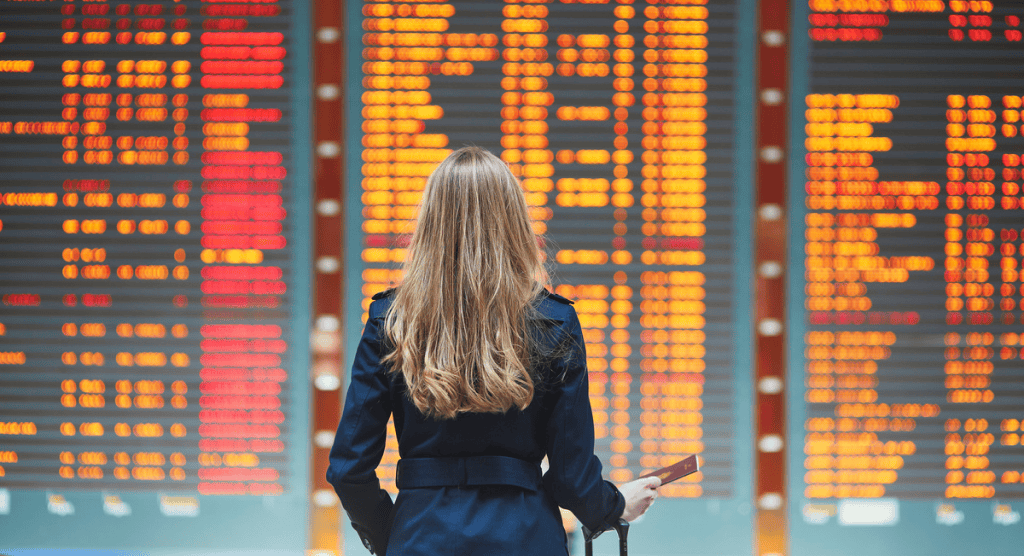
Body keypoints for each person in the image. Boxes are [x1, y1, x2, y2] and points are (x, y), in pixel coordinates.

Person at [327, 146, 661, 555]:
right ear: (514, 222)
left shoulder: (391, 320)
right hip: (526, 538)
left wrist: (391, 534)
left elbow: (348, 470)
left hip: (420, 536)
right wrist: (614, 505)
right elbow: (571, 476)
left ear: (429, 223)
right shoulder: (554, 321)